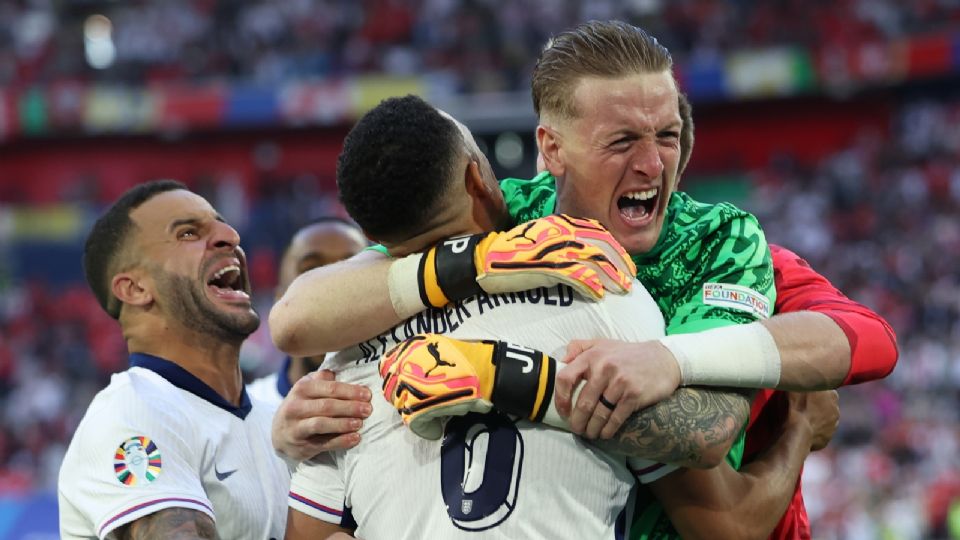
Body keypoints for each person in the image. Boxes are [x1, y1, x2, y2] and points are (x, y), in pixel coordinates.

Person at [270, 21, 897, 539]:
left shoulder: (720, 240)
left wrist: (664, 360)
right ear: (552, 147)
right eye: (621, 140)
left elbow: (865, 343)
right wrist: (476, 262)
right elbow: (298, 315)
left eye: (668, 136)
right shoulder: (503, 218)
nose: (653, 163)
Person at [58, 181, 288, 540]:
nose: (231, 236)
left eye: (223, 225)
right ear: (135, 289)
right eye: (188, 233)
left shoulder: (273, 421)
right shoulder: (132, 412)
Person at [247, 218, 367, 407]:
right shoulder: (251, 410)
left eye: (351, 267)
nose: (331, 284)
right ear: (279, 299)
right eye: (311, 269)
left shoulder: (407, 401)